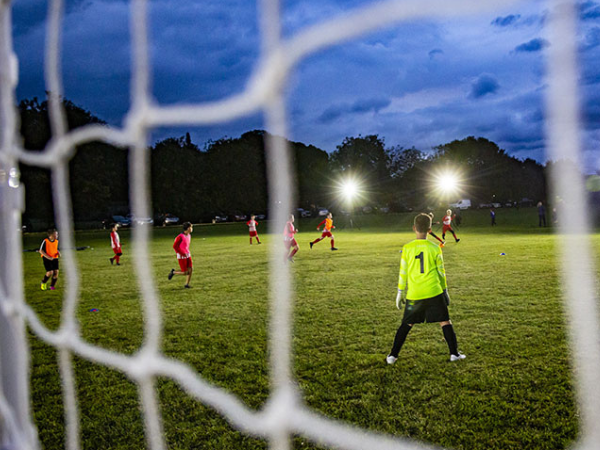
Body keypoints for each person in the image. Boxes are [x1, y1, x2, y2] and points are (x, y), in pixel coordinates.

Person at [387, 213, 465, 364]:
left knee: (406, 324)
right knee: (445, 321)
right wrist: (445, 291)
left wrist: (400, 292)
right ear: (429, 229)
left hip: (414, 293)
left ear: (414, 228)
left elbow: (403, 272)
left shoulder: (407, 248)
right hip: (434, 291)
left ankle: (392, 356)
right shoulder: (435, 248)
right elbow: (441, 272)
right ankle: (454, 354)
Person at [168, 222, 193, 288]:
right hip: (181, 256)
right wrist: (182, 253)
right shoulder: (180, 237)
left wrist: (187, 253)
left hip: (187, 254)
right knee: (185, 272)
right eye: (191, 227)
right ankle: (173, 272)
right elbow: (175, 246)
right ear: (188, 228)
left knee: (190, 269)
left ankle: (187, 284)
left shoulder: (189, 235)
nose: (192, 228)